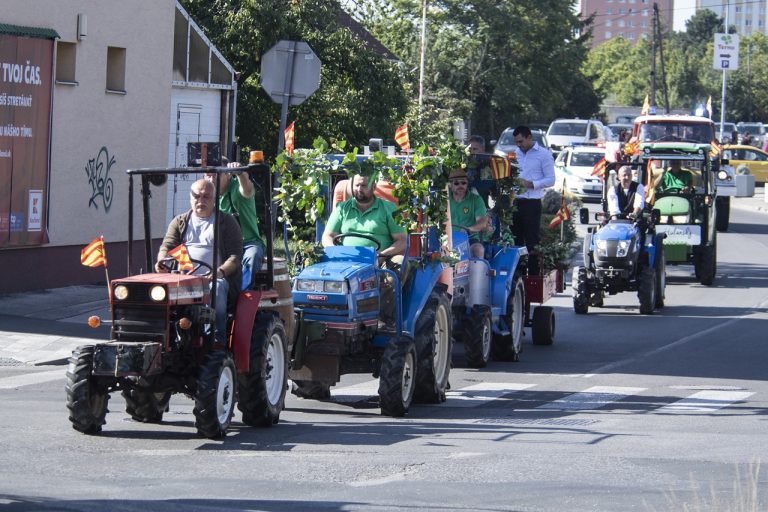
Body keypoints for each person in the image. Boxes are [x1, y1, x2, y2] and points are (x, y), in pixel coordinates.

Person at [156, 179, 243, 344]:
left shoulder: (226, 222)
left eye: (206, 197)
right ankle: (163, 338)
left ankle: (216, 340)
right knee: (157, 291)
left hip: (213, 278)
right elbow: (167, 247)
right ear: (190, 197)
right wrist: (162, 261)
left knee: (216, 288)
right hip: (184, 277)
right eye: (197, 196)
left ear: (214, 199)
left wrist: (220, 271)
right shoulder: (180, 222)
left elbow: (235, 257)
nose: (201, 201)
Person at [205, 162, 266, 290]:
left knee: (252, 256)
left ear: (228, 175)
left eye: (215, 175)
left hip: (248, 243)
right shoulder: (207, 197)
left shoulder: (237, 188)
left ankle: (242, 295)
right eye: (208, 175)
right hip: (225, 247)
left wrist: (241, 173)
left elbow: (247, 190)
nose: (211, 180)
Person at [322, 173, 406, 264]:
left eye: (364, 186)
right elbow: (328, 236)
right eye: (356, 185)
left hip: (380, 262)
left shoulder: (389, 208)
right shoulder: (342, 208)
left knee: (399, 262)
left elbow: (402, 240)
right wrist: (335, 252)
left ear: (373, 187)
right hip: (345, 260)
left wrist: (381, 256)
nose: (359, 189)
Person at [512, 125, 556, 275]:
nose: (519, 145)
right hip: (516, 201)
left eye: (521, 141)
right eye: (516, 142)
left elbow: (551, 179)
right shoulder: (517, 153)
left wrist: (531, 184)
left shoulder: (543, 154)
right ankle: (518, 270)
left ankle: (533, 272)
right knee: (514, 238)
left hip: (532, 202)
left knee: (531, 240)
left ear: (530, 137)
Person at [448, 168, 492, 258]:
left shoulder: (476, 200)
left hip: (470, 238)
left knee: (478, 249)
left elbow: (482, 221)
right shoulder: (444, 200)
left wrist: (469, 229)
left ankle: (478, 272)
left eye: (463, 183)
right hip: (446, 239)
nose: (460, 186)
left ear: (467, 184)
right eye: (456, 183)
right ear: (450, 185)